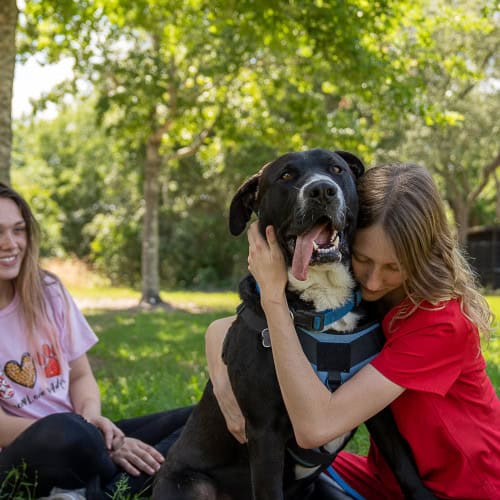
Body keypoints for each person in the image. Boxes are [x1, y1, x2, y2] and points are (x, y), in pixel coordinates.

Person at [206, 162, 500, 499]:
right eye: (363, 259)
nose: (374, 280)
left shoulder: (440, 323)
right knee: (224, 432)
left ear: (425, 255)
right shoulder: (370, 299)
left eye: (394, 266)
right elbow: (225, 329)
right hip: (380, 481)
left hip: (462, 489)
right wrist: (221, 375)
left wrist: (273, 296)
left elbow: (315, 428)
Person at [0, 182, 191, 500]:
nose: (10, 243)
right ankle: (112, 483)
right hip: (30, 450)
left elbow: (80, 375)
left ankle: (86, 491)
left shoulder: (48, 290)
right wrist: (93, 437)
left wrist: (95, 424)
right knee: (65, 432)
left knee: (203, 416)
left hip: (83, 429)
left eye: (18, 230)